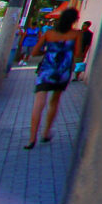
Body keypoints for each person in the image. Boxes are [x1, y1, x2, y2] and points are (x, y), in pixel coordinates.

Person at [26, 8, 79, 149]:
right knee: (54, 101)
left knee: (39, 103)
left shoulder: (48, 34)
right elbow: (78, 53)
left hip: (46, 69)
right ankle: (46, 133)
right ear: (74, 20)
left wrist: (49, 51)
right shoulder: (76, 34)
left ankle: (32, 139)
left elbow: (34, 52)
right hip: (63, 71)